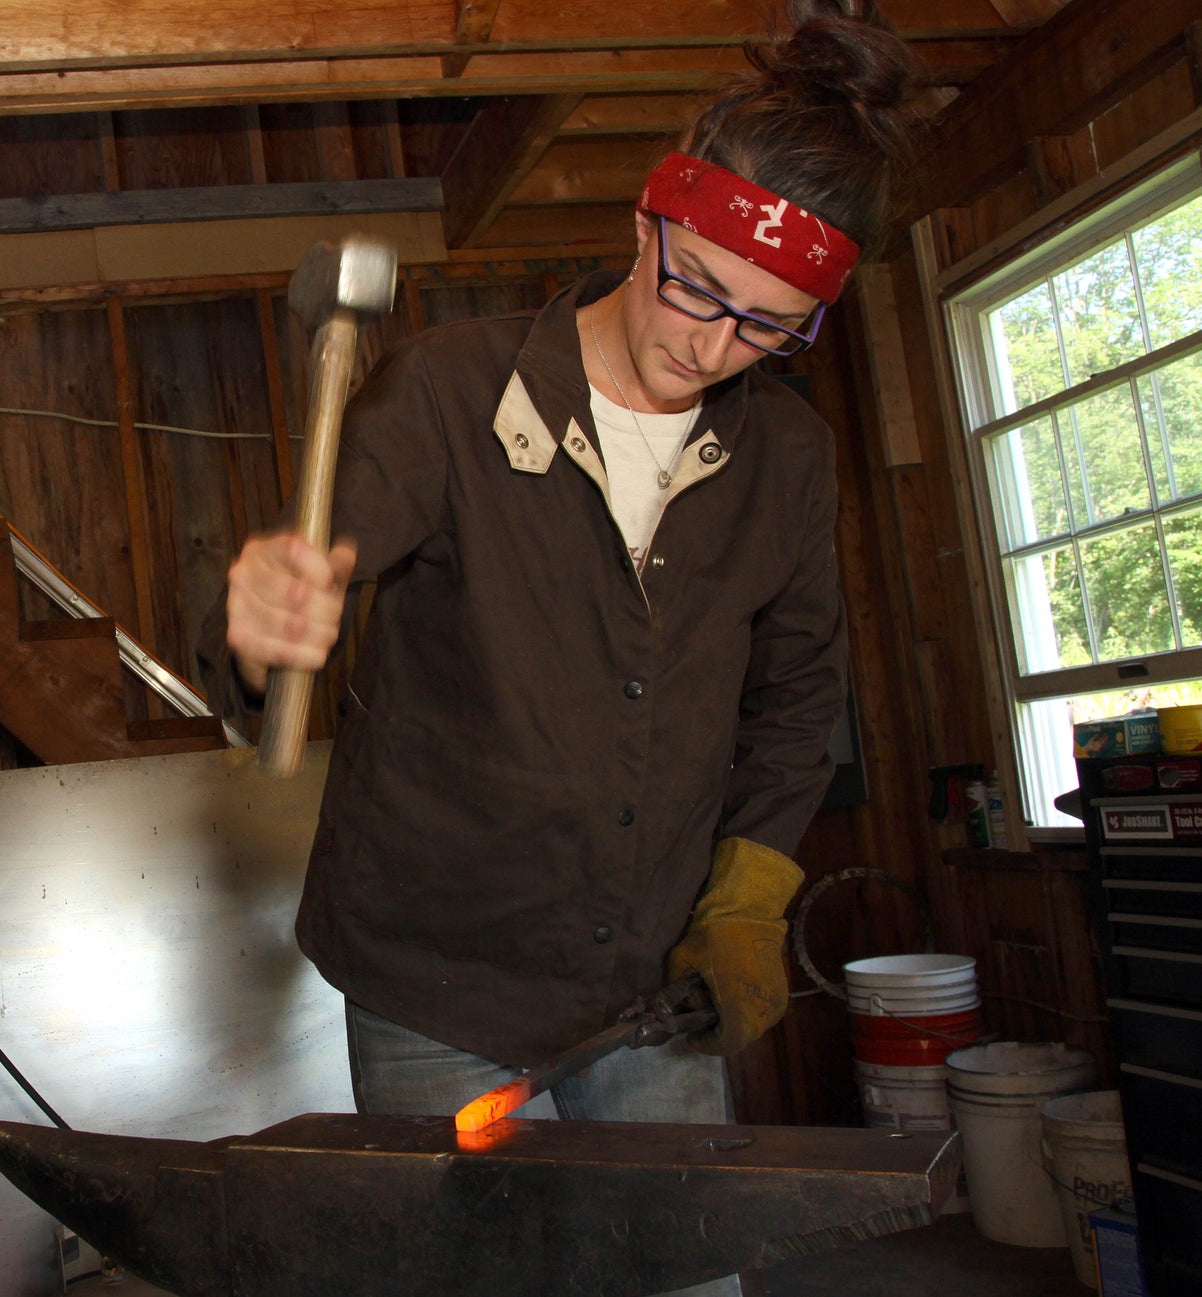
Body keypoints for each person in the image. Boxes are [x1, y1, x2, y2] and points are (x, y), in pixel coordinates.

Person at [196, 4, 920, 1291]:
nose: (710, 345)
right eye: (695, 287)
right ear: (645, 221)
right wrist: (260, 621)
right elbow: (308, 571)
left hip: (650, 986)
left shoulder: (786, 458)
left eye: (765, 324)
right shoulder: (446, 390)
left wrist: (744, 901)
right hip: (433, 977)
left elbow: (797, 696)